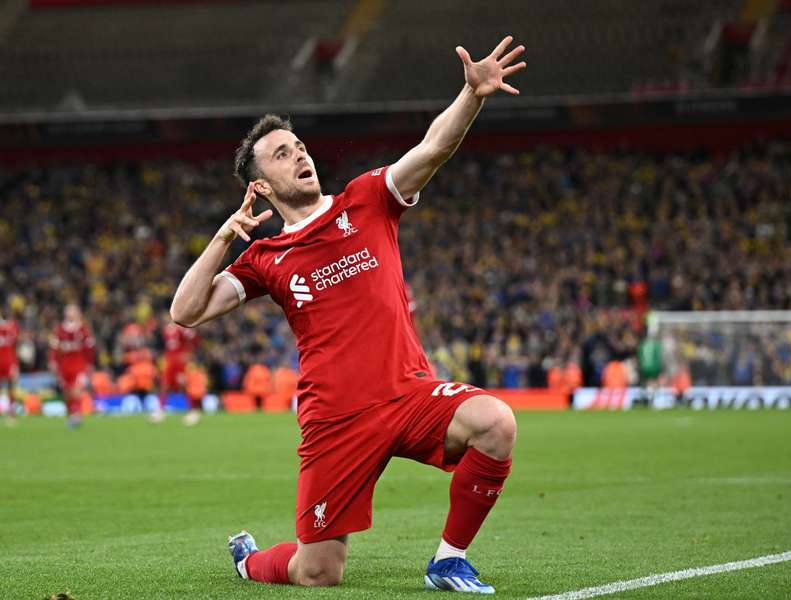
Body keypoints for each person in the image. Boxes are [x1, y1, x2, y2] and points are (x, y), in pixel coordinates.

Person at [170, 36, 526, 593]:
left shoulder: (365, 200)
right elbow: (185, 312)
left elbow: (432, 148)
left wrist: (471, 95)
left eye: (299, 145)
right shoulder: (265, 258)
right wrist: (222, 239)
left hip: (408, 394)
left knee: (496, 422)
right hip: (335, 421)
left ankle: (449, 560)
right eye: (282, 153)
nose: (300, 155)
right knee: (318, 573)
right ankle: (250, 562)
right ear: (260, 185)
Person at [49, 304, 95, 429]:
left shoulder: (83, 330)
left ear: (78, 313)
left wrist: (90, 364)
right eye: (68, 311)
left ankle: (76, 414)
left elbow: (90, 349)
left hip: (79, 365)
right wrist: (53, 361)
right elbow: (54, 348)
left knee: (76, 390)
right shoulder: (59, 330)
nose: (71, 314)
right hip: (64, 365)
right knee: (66, 393)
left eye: (73, 311)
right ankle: (71, 414)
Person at [0, 307, 19, 420]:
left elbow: (15, 342)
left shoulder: (13, 326)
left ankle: (11, 411)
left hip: (10, 360)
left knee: (11, 385)